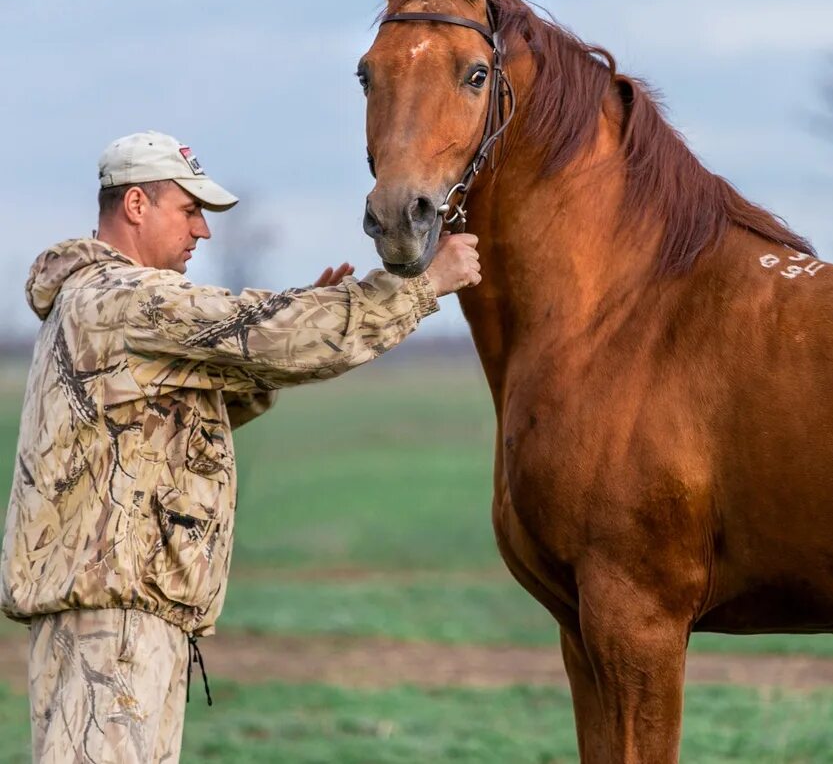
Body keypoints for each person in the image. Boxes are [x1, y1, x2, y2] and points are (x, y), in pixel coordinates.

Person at [0, 131, 479, 762]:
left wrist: (300, 323)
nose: (203, 232)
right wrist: (421, 287)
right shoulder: (121, 298)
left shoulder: (106, 305)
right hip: (111, 626)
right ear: (136, 205)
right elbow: (265, 335)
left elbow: (190, 408)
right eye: (190, 210)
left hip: (120, 619)